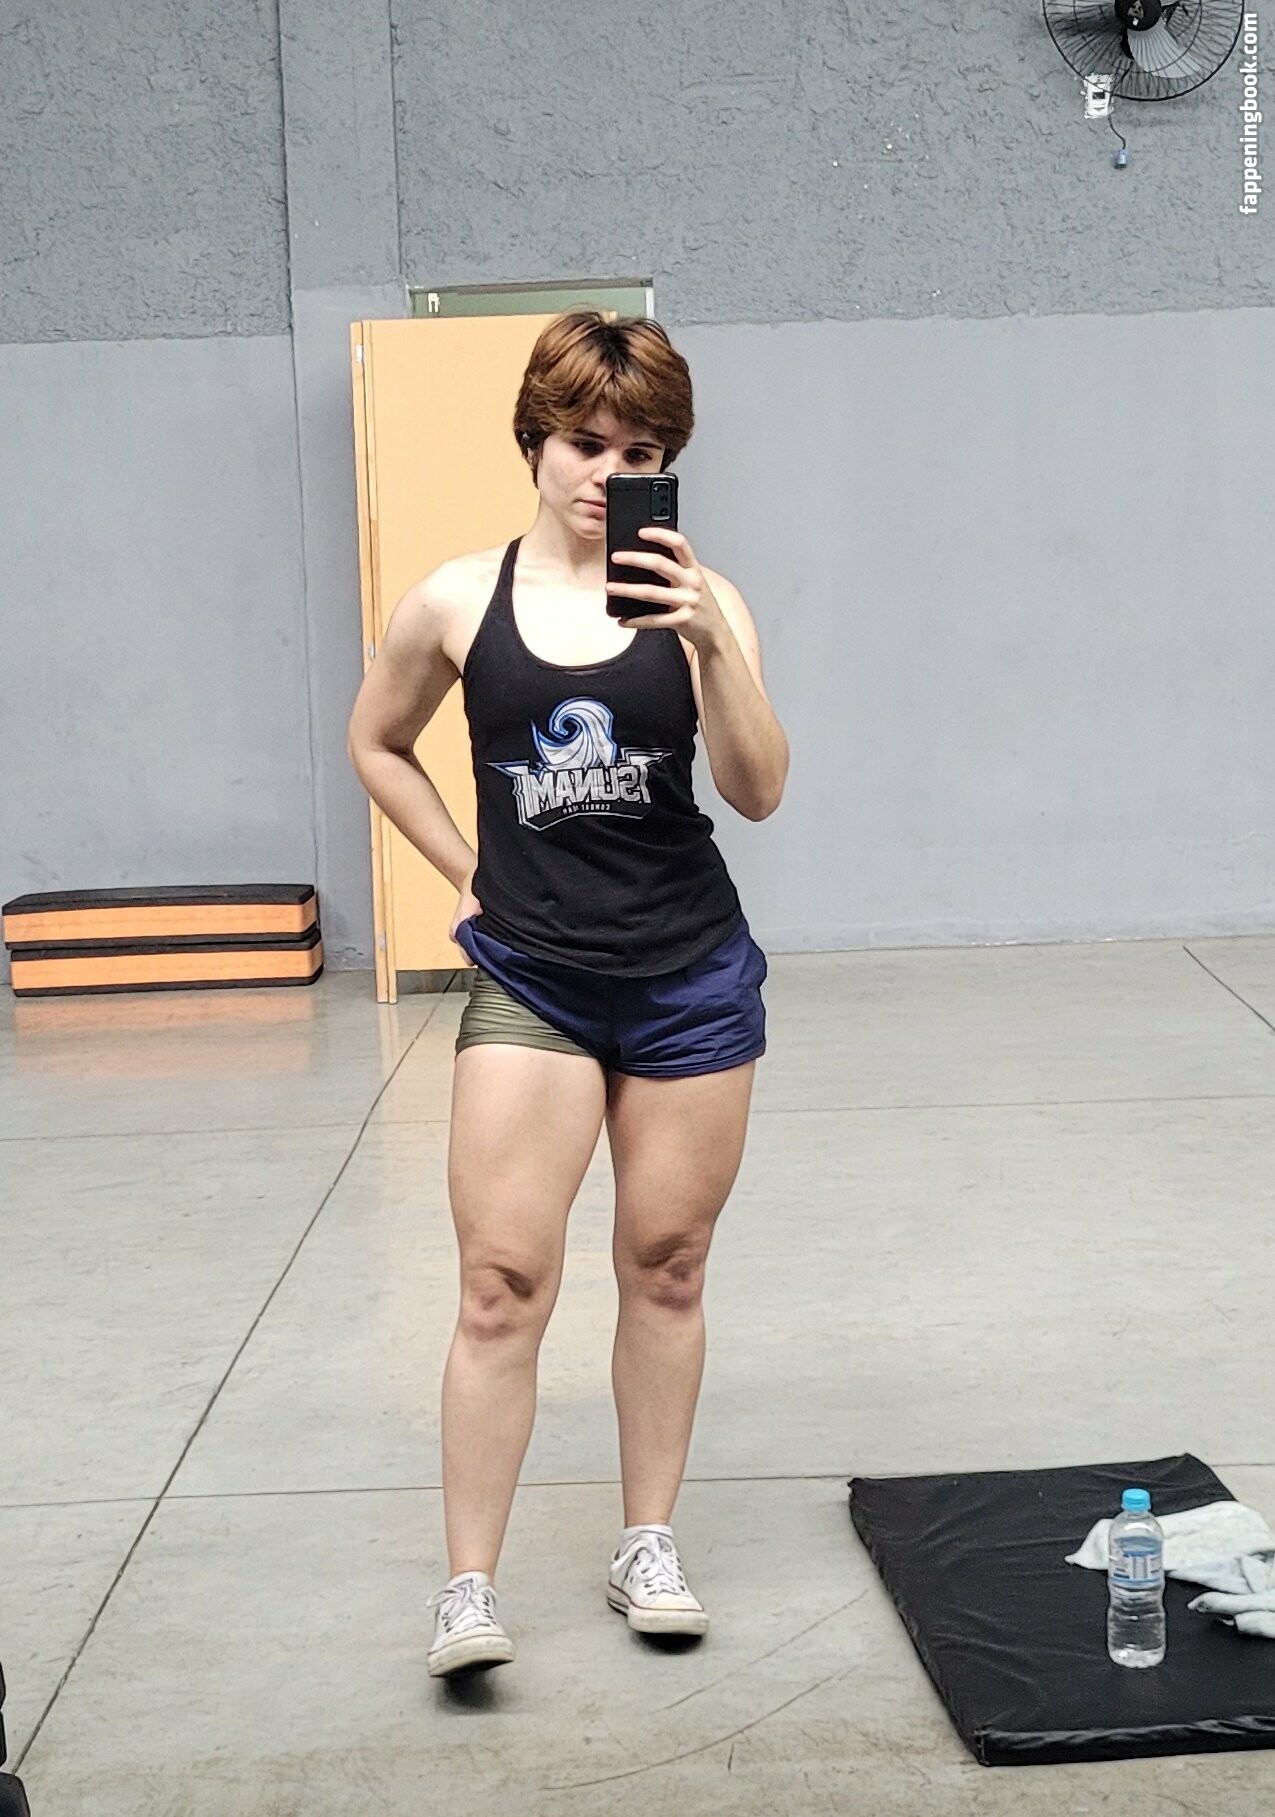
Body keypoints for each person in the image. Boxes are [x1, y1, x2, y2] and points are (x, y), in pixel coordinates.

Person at [347, 311, 789, 1678]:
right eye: (587, 443)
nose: (610, 472)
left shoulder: (705, 601)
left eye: (642, 451)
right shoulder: (455, 601)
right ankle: (467, 1586)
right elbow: (378, 742)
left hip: (688, 977)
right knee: (500, 1284)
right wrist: (466, 871)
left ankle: (645, 1542)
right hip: (533, 978)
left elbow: (760, 791)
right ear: (535, 442)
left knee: (668, 1264)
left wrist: (711, 643)